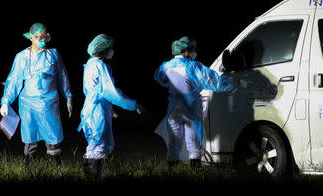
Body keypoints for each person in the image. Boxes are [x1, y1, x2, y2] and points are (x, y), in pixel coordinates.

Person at [154, 36, 234, 168]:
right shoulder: (193, 67)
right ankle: (195, 168)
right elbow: (215, 83)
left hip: (173, 108)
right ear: (187, 50)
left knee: (174, 140)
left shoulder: (165, 66)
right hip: (191, 107)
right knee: (193, 140)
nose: (195, 53)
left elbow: (160, 78)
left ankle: (171, 168)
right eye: (194, 49)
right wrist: (230, 79)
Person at [0, 23, 73, 165]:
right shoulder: (22, 57)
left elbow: (62, 77)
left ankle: (56, 166)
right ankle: (29, 165)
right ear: (31, 38)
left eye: (46, 37)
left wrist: (68, 96)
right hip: (28, 103)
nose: (44, 40)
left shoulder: (53, 55)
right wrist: (6, 101)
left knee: (52, 134)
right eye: (40, 37)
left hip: (49, 103)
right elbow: (13, 80)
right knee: (29, 134)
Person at [78, 34, 144, 178]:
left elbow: (91, 90)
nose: (112, 51)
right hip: (98, 109)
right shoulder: (101, 66)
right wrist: (132, 104)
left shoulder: (89, 64)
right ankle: (93, 177)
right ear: (103, 50)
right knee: (98, 144)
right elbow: (111, 91)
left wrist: (110, 109)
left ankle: (90, 177)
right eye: (110, 48)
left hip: (90, 108)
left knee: (94, 142)